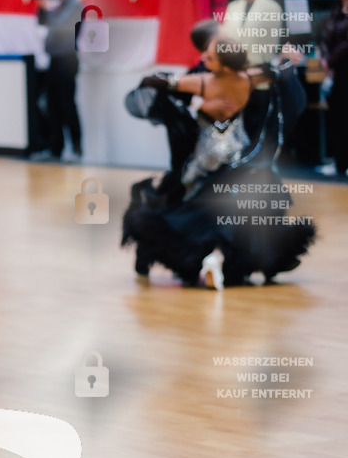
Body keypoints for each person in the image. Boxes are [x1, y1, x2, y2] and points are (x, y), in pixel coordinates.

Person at [122, 36, 315, 287]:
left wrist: (192, 103)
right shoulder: (248, 78)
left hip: (206, 158)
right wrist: (286, 61)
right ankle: (245, 260)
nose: (203, 59)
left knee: (183, 207)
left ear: (223, 66)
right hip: (235, 155)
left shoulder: (203, 82)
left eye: (209, 57)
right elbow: (275, 72)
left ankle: (167, 253)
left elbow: (154, 82)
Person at [37, 0, 83, 160]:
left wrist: (47, 8)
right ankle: (56, 148)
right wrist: (42, 6)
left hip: (67, 60)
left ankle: (77, 148)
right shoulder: (58, 5)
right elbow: (42, 22)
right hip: (54, 60)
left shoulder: (75, 5)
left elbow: (60, 26)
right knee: (52, 105)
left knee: (67, 105)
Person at [221, 0, 284, 67]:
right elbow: (226, 36)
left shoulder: (272, 8)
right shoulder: (232, 6)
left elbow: (268, 46)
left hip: (258, 67)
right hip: (233, 65)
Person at [320, 0, 348, 176]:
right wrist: (325, 59)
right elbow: (325, 36)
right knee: (337, 116)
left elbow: (346, 45)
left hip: (345, 68)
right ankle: (339, 162)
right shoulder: (335, 11)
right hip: (336, 72)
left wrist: (329, 60)